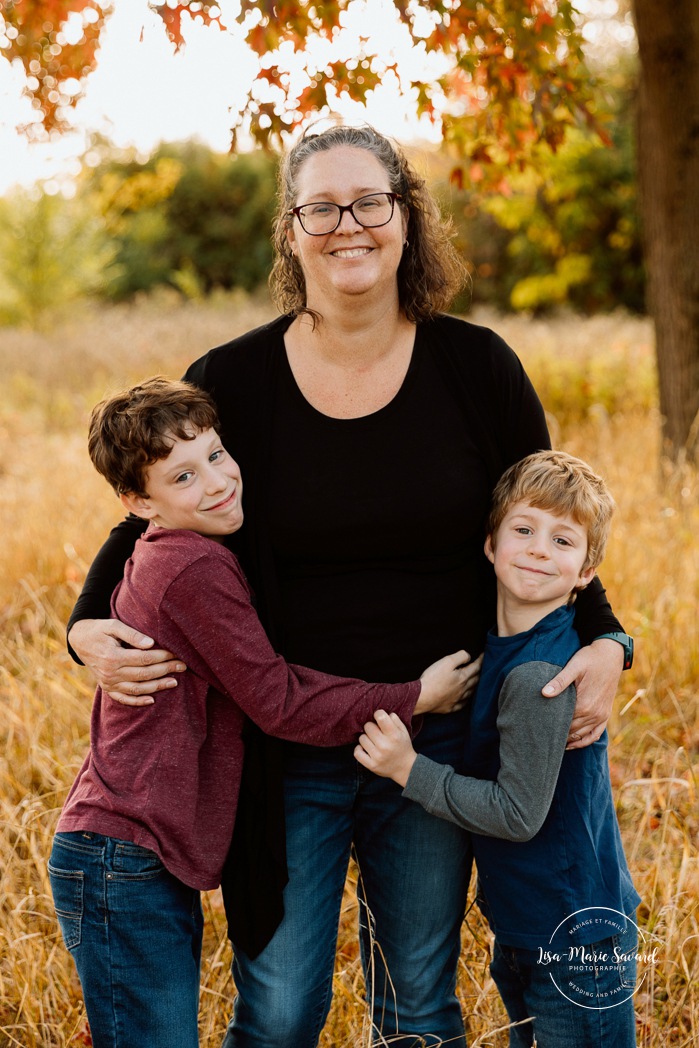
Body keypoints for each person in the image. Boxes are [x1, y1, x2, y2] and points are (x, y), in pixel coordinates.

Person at [66, 125, 629, 1048]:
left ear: (405, 216)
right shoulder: (235, 379)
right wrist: (87, 625)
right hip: (286, 742)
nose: (347, 226)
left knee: (416, 998)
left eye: (369, 202)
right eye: (319, 208)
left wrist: (607, 640)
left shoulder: (475, 366)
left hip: (438, 735)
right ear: (291, 232)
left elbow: (549, 517)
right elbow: (149, 514)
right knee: (282, 1007)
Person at [49, 376, 471, 1048]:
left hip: (134, 853)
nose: (215, 482)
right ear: (139, 503)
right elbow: (277, 699)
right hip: (120, 854)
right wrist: (414, 697)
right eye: (183, 477)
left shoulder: (185, 552)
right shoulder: (191, 568)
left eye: (217, 456)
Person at [355, 450, 639, 1048]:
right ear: (490, 544)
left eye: (563, 540)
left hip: (573, 937)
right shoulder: (507, 649)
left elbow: (517, 813)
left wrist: (409, 769)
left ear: (586, 572)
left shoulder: (539, 674)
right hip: (531, 925)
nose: (539, 549)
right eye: (524, 530)